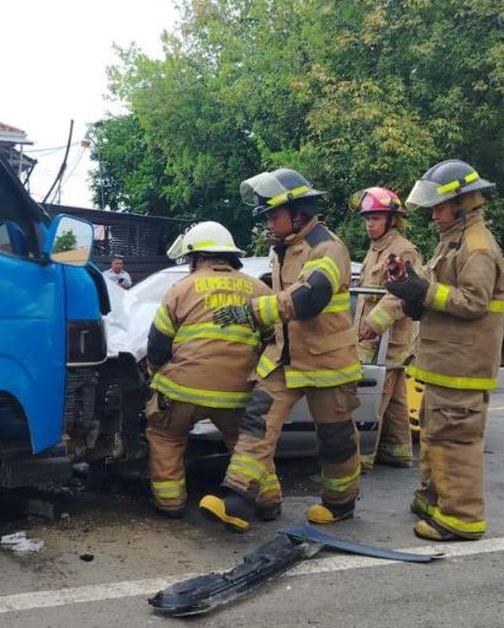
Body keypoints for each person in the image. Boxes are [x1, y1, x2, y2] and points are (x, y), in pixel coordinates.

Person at [200, 168, 363, 532]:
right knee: (257, 422)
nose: (268, 224)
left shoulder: (328, 248)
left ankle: (340, 504)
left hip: (327, 363)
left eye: (273, 216)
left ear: (298, 213)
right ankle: (237, 500)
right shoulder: (283, 250)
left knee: (336, 439)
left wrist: (252, 311)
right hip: (285, 359)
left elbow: (310, 297)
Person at [384, 159, 504, 542]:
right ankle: (434, 498)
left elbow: (473, 301)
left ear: (462, 203)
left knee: (455, 440)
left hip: (463, 366)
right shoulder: (452, 241)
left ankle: (461, 516)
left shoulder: (477, 247)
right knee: (437, 436)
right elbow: (437, 295)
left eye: (439, 206)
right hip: (444, 364)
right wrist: (409, 286)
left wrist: (424, 291)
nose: (433, 215)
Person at [145, 221, 271, 518]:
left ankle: (170, 503)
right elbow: (274, 341)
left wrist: (156, 375)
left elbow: (158, 344)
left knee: (166, 436)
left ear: (198, 257)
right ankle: (268, 501)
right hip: (239, 392)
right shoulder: (259, 289)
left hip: (183, 389)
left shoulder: (181, 289)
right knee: (249, 445)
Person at [350, 187, 422, 469]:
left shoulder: (402, 250)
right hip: (375, 339)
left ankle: (360, 458)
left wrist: (374, 322)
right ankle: (397, 452)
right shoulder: (375, 251)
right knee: (394, 401)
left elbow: (402, 293)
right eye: (367, 219)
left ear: (392, 220)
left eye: (376, 218)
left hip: (386, 340)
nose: (369, 224)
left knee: (372, 399)